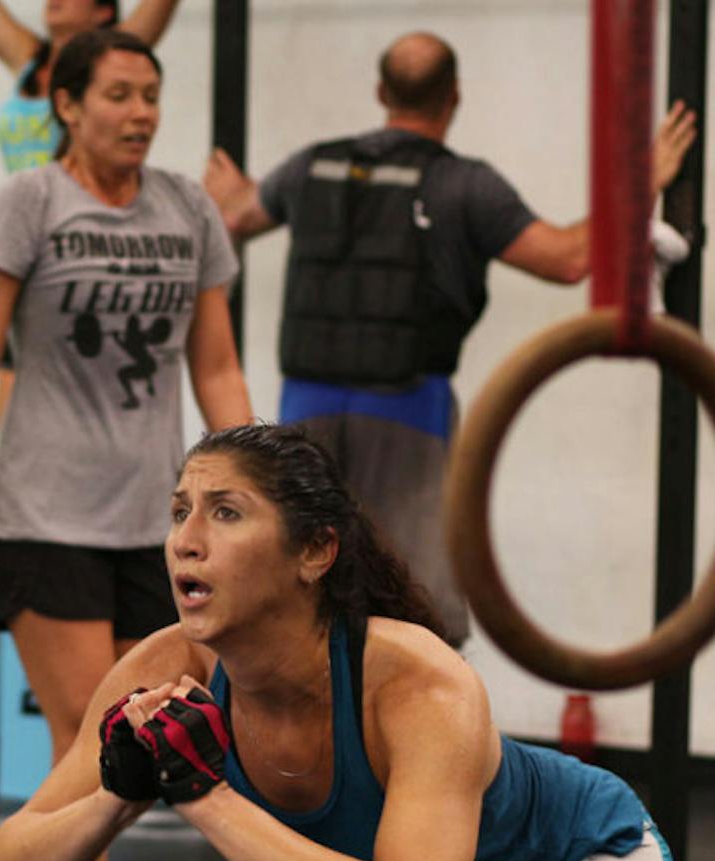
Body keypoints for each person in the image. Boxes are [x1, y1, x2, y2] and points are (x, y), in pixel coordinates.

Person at [0, 422, 676, 861]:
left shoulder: (417, 680)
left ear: (313, 551)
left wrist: (203, 792)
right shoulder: (163, 670)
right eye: (178, 511)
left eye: (226, 511)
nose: (186, 539)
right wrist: (118, 794)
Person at [0, 28, 252, 861]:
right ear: (65, 103)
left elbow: (217, 365)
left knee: (139, 734)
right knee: (96, 730)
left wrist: (254, 492)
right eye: (118, 94)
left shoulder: (186, 209)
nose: (141, 112)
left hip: (154, 520)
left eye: (151, 94)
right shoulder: (23, 205)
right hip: (42, 514)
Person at [203, 31, 698, 646]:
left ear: (381, 92)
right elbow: (569, 258)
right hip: (409, 412)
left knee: (308, 592)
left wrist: (227, 198)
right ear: (455, 97)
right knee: (419, 608)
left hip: (305, 415)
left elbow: (236, 217)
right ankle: (416, 728)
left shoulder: (313, 166)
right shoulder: (466, 186)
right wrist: (643, 179)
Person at [0, 0, 184, 427]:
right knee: (1, 399)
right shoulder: (31, 60)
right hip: (22, 242)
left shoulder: (120, 58)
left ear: (102, 11)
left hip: (78, 248)